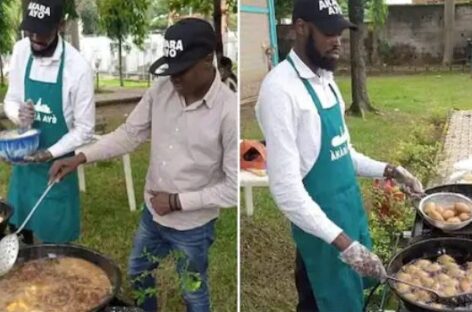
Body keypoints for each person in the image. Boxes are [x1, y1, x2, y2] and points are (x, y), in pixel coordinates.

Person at [49, 18, 237, 312]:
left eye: (182, 69)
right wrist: (80, 157)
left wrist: (175, 202)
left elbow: (232, 188)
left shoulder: (229, 111)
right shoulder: (161, 89)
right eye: (170, 67)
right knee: (138, 273)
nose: (173, 77)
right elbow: (129, 134)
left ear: (207, 60)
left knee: (193, 293)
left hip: (193, 226)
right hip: (153, 215)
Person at [255, 0, 424, 311]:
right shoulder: (280, 90)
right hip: (322, 239)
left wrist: (392, 170)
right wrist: (345, 246)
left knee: (351, 301)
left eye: (341, 32)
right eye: (329, 32)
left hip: (349, 219)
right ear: (301, 28)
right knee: (321, 302)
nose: (338, 40)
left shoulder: (326, 81)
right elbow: (286, 190)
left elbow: (342, 153)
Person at [3, 0, 95, 244]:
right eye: (30, 31)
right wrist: (18, 114)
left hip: (56, 170)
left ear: (61, 25)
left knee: (56, 251)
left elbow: (85, 130)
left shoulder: (78, 69)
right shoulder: (21, 50)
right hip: (23, 170)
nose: (34, 39)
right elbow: (10, 100)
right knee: (20, 241)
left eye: (42, 33)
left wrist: (49, 152)